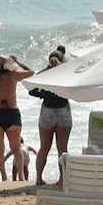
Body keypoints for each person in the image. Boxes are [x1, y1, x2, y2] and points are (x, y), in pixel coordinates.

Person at [0, 53, 34, 181]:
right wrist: (17, 61)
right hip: (12, 113)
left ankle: (4, 177)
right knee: (16, 148)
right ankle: (21, 177)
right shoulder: (14, 75)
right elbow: (31, 72)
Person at [28, 47, 71, 185]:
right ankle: (62, 180)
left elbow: (31, 89)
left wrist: (43, 94)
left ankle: (39, 179)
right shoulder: (66, 73)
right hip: (63, 111)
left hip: (47, 111)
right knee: (62, 150)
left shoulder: (46, 73)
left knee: (44, 148)